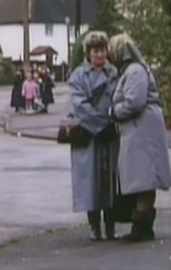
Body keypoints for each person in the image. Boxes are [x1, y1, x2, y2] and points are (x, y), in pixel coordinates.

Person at [108, 34, 171, 242]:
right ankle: (142, 225)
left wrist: (114, 111)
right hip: (140, 130)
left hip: (143, 130)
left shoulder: (135, 71)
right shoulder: (132, 71)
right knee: (142, 177)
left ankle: (142, 228)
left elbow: (135, 102)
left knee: (144, 177)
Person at [67, 31, 119, 241]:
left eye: (103, 50)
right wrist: (100, 124)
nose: (100, 54)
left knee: (110, 181)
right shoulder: (79, 75)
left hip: (109, 134)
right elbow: (79, 104)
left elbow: (119, 97)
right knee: (90, 182)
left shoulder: (114, 72)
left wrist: (112, 121)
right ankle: (94, 226)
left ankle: (111, 227)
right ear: (88, 53)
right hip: (89, 135)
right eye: (96, 50)